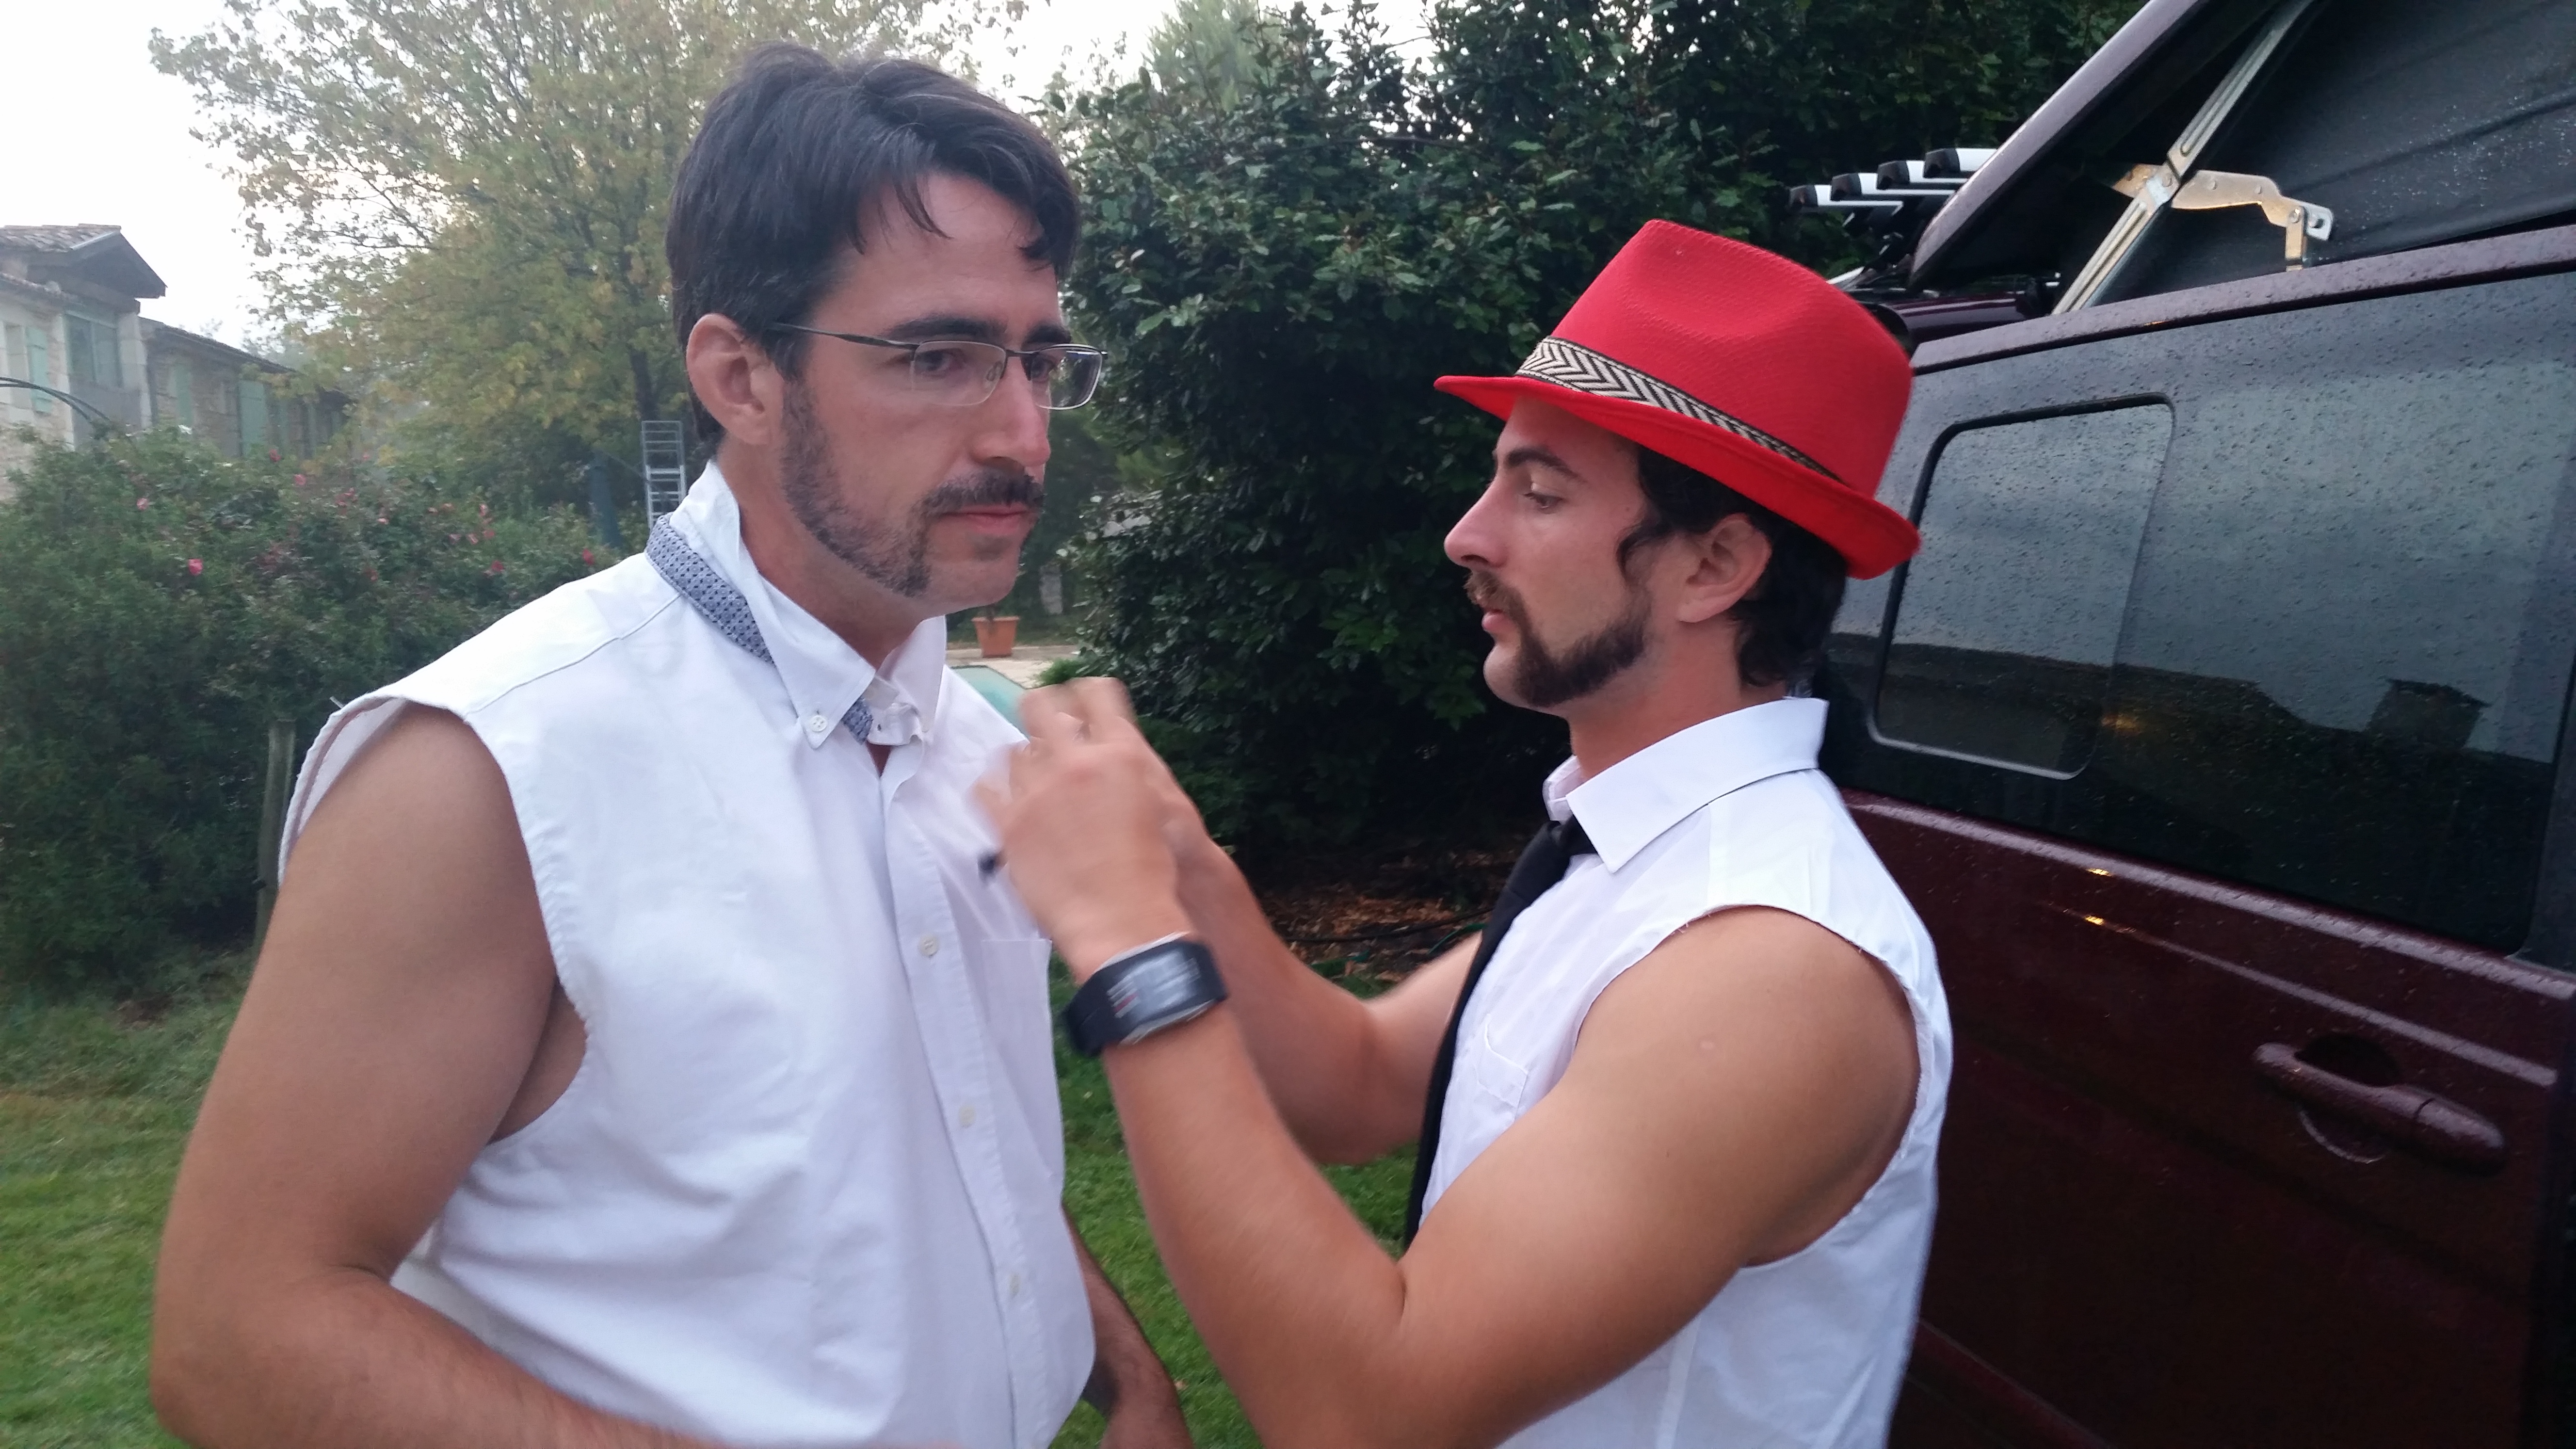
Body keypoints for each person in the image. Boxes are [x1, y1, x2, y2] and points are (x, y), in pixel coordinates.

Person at [150, 49, 1188, 1449]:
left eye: (1040, 361)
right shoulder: (488, 773)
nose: (1020, 433)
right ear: (741, 376)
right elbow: (238, 1331)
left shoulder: (960, 736)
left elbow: (955, 1128)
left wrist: (1130, 1378)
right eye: (938, 357)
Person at [981, 221, 1949, 1449]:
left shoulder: (1768, 964)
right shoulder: (1632, 865)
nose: (1467, 534)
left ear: (1714, 565)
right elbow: (1358, 1084)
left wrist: (1127, 944)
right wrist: (1184, 867)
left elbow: (1365, 1413)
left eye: (1539, 493)